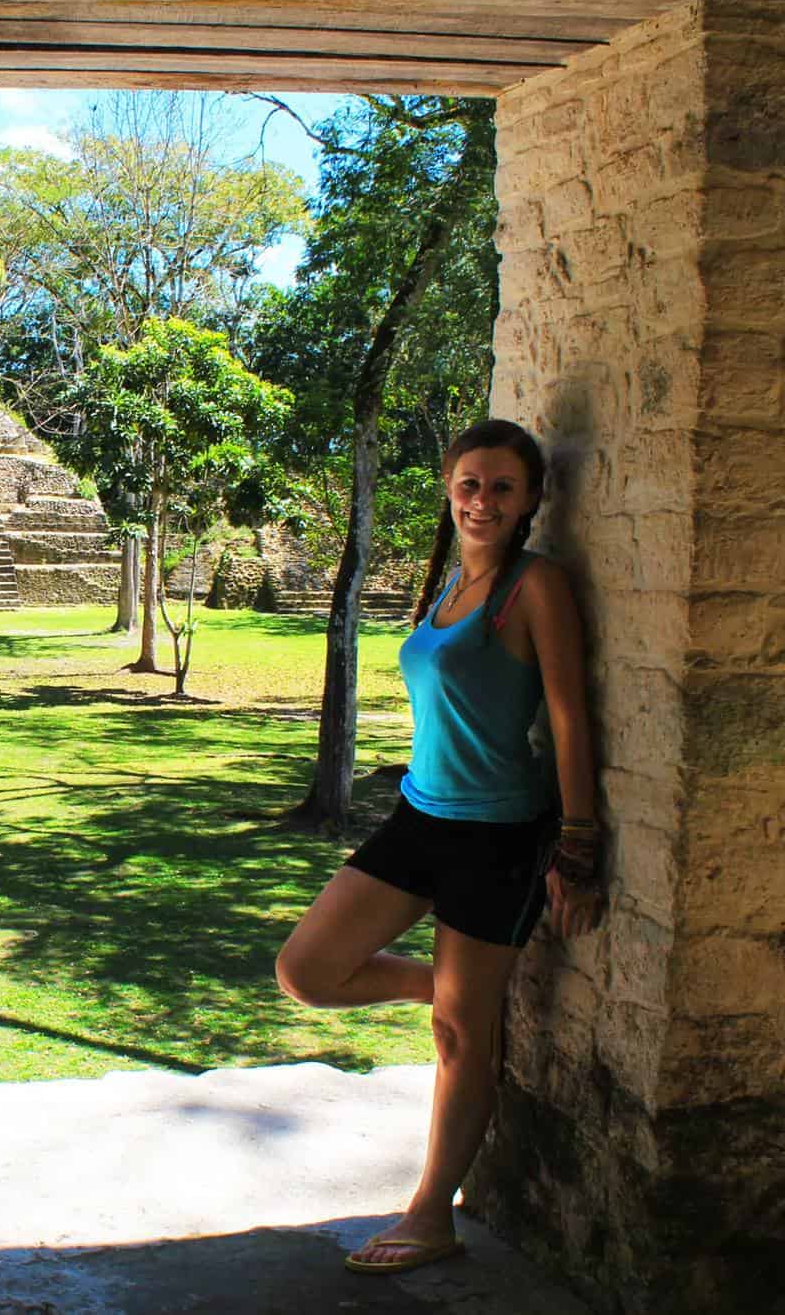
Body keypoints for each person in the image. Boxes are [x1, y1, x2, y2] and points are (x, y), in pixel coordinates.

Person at [274, 417, 605, 1276]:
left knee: (461, 1042)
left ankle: (431, 1214)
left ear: (531, 497)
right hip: (422, 817)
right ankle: (457, 994)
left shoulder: (535, 587)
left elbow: (569, 715)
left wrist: (577, 845)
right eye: (469, 484)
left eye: (501, 486)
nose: (482, 500)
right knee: (306, 969)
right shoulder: (449, 584)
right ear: (448, 491)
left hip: (500, 833)